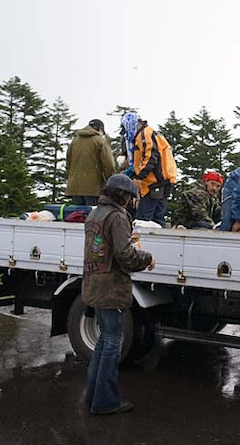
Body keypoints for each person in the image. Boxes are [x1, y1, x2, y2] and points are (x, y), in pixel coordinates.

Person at [82, 174, 155, 415]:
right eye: (130, 196)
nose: (131, 201)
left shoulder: (95, 214)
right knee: (112, 343)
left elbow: (104, 248)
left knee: (104, 342)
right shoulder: (117, 217)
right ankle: (105, 401)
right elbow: (125, 257)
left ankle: (92, 397)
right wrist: (147, 258)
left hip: (94, 284)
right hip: (111, 288)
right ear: (122, 195)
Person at [125, 114, 177, 228]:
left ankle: (142, 239)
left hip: (153, 182)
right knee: (158, 219)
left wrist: (139, 177)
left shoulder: (144, 134)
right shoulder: (151, 132)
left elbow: (150, 157)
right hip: (164, 180)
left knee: (142, 220)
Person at [65, 119, 116, 205]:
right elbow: (109, 165)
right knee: (93, 212)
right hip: (93, 189)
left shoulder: (74, 142)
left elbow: (68, 164)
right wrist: (110, 181)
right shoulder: (100, 141)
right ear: (100, 129)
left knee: (77, 213)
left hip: (75, 188)